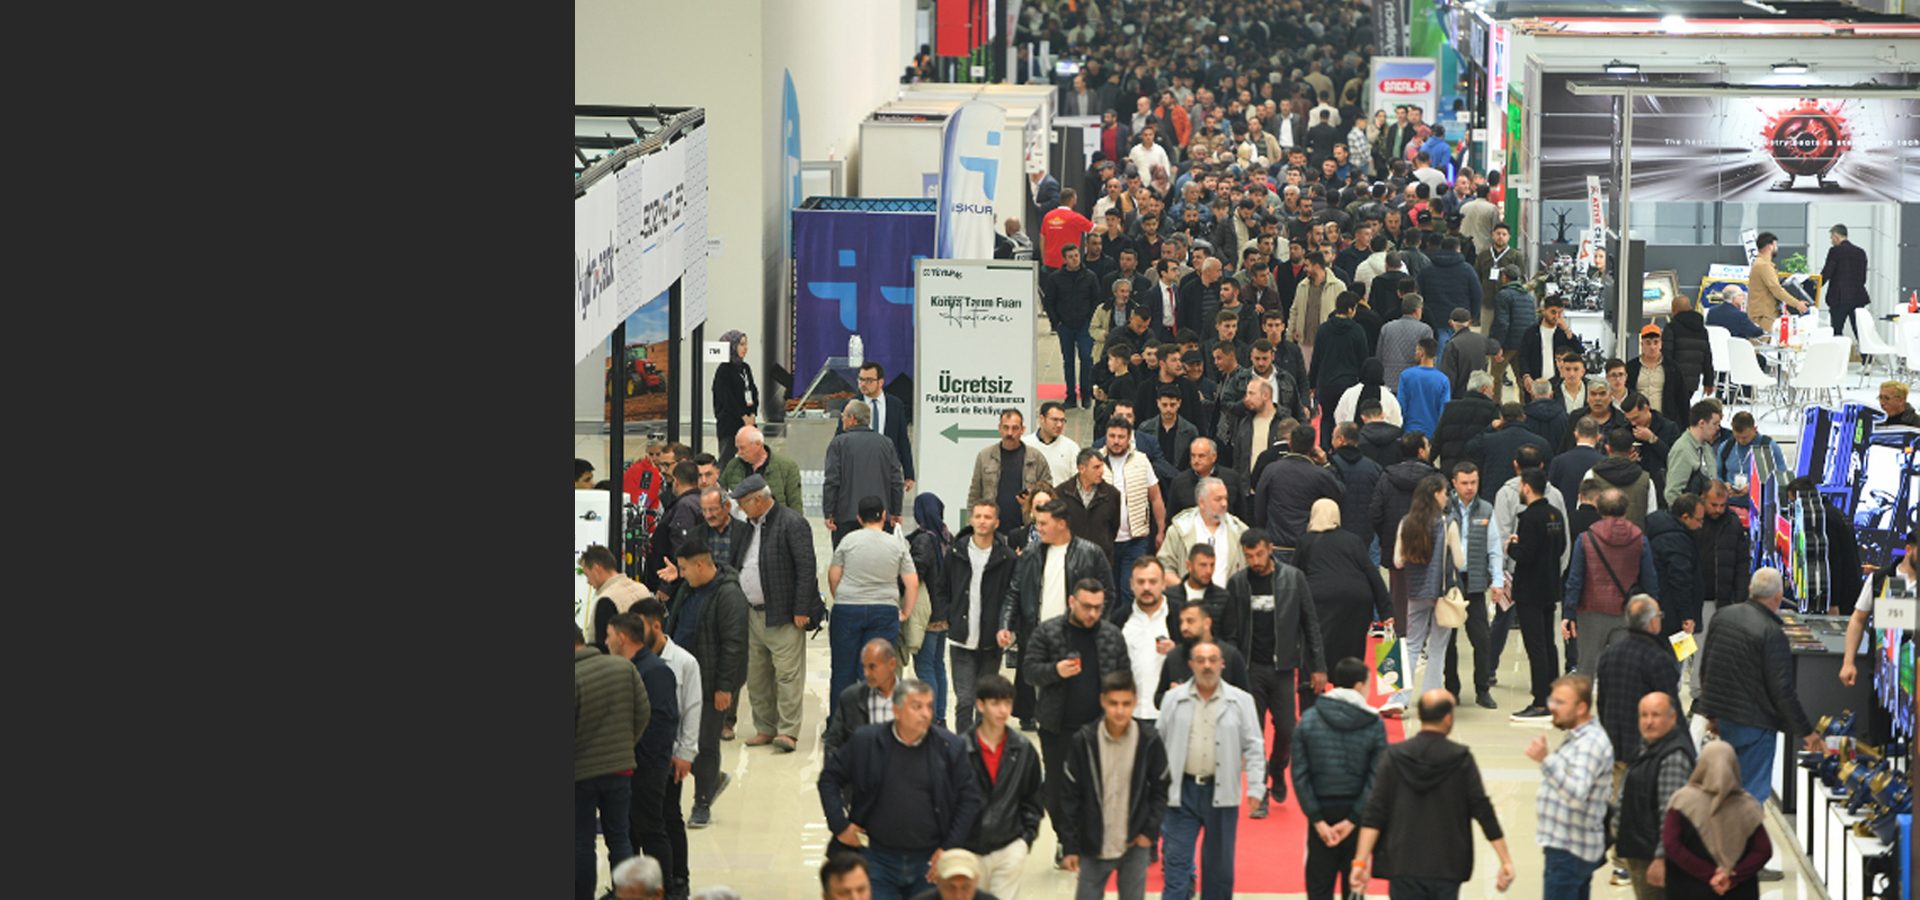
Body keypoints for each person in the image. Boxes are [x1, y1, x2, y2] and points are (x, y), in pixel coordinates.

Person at [1693, 567, 1821, 875]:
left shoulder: (1724, 617)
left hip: (1726, 719)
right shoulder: (1771, 632)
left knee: (1727, 788)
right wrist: (1806, 731)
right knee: (1751, 795)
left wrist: (1711, 712)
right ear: (1777, 597)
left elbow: (1707, 666)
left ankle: (1721, 854)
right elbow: (1782, 690)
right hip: (1755, 724)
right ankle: (1743, 863)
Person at [819, 678, 983, 900]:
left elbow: (970, 798)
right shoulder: (866, 741)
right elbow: (829, 778)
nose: (926, 714)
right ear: (896, 710)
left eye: (929, 706)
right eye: (917, 706)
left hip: (929, 859)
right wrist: (840, 825)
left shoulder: (950, 746)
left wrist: (949, 848)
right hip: (876, 857)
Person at [1351, 690, 1517, 897]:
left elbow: (1375, 811)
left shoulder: (1394, 757)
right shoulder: (1460, 759)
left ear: (1421, 716)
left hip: (1402, 863)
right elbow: (1482, 810)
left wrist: (1360, 861)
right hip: (1447, 865)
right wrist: (1505, 860)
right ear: (1448, 718)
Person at [1026, 578, 1133, 861]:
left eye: (1098, 608)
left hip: (1101, 727)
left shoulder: (1111, 636)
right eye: (1087, 607)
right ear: (1072, 602)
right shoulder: (1048, 633)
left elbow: (1124, 676)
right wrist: (1055, 670)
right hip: (1057, 726)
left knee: (1099, 786)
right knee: (1057, 789)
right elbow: (1029, 672)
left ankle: (1090, 838)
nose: (1092, 614)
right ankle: (1065, 838)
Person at [1157, 640, 1266, 900]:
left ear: (1222, 664)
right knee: (1176, 866)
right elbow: (1157, 746)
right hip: (1181, 794)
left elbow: (1254, 746)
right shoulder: (1173, 699)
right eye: (1201, 660)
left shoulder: (1242, 701)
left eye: (1212, 660)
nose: (1207, 666)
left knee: (1219, 872)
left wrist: (1256, 788)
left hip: (1222, 794)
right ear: (1191, 665)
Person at [719, 474, 820, 755]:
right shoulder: (747, 527)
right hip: (751, 614)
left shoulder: (791, 523)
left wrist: (801, 608)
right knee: (757, 674)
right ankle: (765, 728)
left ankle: (788, 732)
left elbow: (806, 568)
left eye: (744, 503)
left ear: (759, 499)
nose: (740, 509)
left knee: (787, 675)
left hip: (784, 613)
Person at [657, 539, 747, 828]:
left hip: (711, 683)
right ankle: (712, 779)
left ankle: (702, 804)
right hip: (679, 676)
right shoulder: (688, 587)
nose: (681, 573)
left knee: (705, 744)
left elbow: (734, 645)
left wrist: (725, 687)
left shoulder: (729, 594)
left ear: (700, 564)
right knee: (677, 739)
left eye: (684, 568)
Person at [1057, 672, 1169, 900]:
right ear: (1102, 701)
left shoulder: (1149, 741)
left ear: (1135, 702)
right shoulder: (1084, 741)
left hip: (1135, 844)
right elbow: (1070, 796)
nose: (1120, 711)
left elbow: (1162, 789)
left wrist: (1150, 832)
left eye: (1126, 704)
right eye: (1114, 703)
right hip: (1093, 844)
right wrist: (1070, 845)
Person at [1287, 657, 1388, 900]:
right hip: (1358, 818)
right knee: (1353, 887)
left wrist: (1317, 820)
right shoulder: (1374, 723)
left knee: (1319, 886)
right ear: (1358, 686)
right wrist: (1353, 819)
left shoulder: (1309, 720)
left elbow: (1299, 774)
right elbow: (1378, 777)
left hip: (1321, 815)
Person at [629, 598, 702, 899]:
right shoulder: (632, 660)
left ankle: (678, 879)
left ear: (655, 626)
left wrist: (686, 753)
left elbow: (692, 709)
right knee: (636, 821)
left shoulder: (684, 661)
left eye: (639, 626)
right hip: (638, 757)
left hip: (670, 756)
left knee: (669, 817)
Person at [576, 625, 651, 900]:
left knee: (582, 843)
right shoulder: (624, 668)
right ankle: (628, 895)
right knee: (620, 838)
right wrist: (624, 746)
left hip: (580, 776)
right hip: (620, 770)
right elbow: (643, 711)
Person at [828, 495, 920, 720]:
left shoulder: (848, 541)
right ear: (885, 516)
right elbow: (912, 583)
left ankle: (839, 724)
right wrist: (905, 612)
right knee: (876, 671)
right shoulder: (896, 544)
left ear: (859, 518)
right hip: (884, 610)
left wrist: (841, 596)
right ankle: (872, 721)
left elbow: (834, 575)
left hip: (847, 609)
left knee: (843, 671)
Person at [607, 614, 682, 887]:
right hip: (631, 764)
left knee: (651, 829)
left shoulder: (654, 670)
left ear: (623, 637)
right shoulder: (630, 667)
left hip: (647, 766)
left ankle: (662, 887)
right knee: (629, 832)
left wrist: (644, 762)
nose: (606, 641)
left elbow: (662, 722)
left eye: (609, 635)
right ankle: (629, 888)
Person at [1527, 674, 1615, 899]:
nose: (1552, 708)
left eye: (1560, 703)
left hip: (1570, 850)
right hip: (1571, 846)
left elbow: (1576, 793)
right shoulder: (1578, 737)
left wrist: (1546, 760)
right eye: (1552, 701)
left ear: (1581, 707)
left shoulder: (1589, 744)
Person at [958, 674, 1043, 900]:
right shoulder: (959, 749)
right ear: (980, 705)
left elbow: (1033, 796)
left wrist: (1025, 839)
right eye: (995, 703)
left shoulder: (1024, 750)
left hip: (1009, 845)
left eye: (1007, 703)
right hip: (968, 849)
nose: (1002, 710)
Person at [1563, 489, 1660, 673]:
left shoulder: (1586, 539)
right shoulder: (1640, 539)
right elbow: (1650, 580)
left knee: (1586, 670)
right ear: (1626, 509)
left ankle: (1583, 701)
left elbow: (1575, 579)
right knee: (1623, 671)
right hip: (1626, 612)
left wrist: (1568, 613)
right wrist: (1653, 610)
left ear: (1599, 508)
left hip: (1590, 611)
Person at [1662, 742, 1774, 898]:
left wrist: (1710, 875)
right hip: (1738, 891)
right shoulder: (1748, 806)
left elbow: (1671, 844)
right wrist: (1732, 876)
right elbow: (1763, 850)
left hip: (1687, 888)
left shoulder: (1681, 801)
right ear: (1734, 766)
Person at [941, 501, 1015, 735]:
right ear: (970, 520)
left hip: (991, 642)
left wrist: (1007, 628)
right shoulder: (956, 553)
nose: (983, 521)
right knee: (964, 701)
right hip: (961, 638)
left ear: (997, 522)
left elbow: (1012, 596)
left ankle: (981, 750)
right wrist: (947, 616)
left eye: (988, 517)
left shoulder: (1007, 558)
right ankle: (963, 749)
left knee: (984, 702)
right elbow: (942, 587)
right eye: (978, 516)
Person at [1616, 691, 1698, 900]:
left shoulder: (1672, 758)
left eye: (1656, 715)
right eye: (1644, 715)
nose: (1649, 722)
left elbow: (1671, 815)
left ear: (1672, 718)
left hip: (1654, 857)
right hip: (1639, 851)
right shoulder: (1646, 748)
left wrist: (1662, 859)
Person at [1441, 462, 1503, 710]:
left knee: (1482, 639)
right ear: (1454, 483)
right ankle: (1451, 689)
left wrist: (1497, 580)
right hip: (1450, 582)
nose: (1470, 488)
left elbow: (1494, 547)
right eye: (1464, 483)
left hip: (1475, 582)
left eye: (1473, 482)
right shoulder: (1444, 507)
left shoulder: (1486, 509)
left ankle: (1482, 689)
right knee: (1448, 639)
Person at [1509, 469, 1570, 719]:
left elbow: (1526, 554)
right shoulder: (1555, 514)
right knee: (1548, 643)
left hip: (1529, 590)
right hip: (1550, 585)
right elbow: (1562, 546)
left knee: (1535, 647)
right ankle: (1553, 695)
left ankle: (1540, 701)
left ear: (1526, 487)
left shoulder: (1530, 517)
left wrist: (1511, 546)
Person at [1099, 417, 1166, 608]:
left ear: (1129, 438)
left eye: (1121, 436)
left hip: (1135, 540)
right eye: (1112, 436)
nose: (1116, 441)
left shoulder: (1142, 461)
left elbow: (1155, 498)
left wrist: (1161, 530)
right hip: (1105, 542)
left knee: (1130, 592)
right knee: (1108, 593)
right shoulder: (1095, 461)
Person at [1691, 483, 1750, 696]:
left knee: (1710, 648)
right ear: (1702, 499)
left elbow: (1742, 562)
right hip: (1695, 597)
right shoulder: (1692, 521)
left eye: (1722, 505)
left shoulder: (1733, 524)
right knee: (1690, 647)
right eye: (1713, 505)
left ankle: (1703, 693)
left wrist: (1741, 597)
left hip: (1721, 599)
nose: (1718, 509)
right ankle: (1695, 691)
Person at [1252, 423, 1345, 556]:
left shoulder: (1272, 470)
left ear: (1290, 443)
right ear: (1312, 446)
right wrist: (1326, 464)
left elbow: (1259, 505)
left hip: (1276, 540)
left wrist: (1264, 530)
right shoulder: (1319, 474)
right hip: (1307, 542)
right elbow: (1339, 493)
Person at [825, 399, 907, 548]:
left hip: (846, 517)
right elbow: (896, 480)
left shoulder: (839, 443)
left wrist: (829, 512)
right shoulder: (886, 443)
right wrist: (895, 511)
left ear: (852, 419)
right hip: (879, 518)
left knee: (847, 564)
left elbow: (832, 480)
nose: (842, 419)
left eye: (843, 415)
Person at [1158, 476, 1249, 589]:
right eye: (1218, 499)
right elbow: (1164, 568)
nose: (1224, 504)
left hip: (1229, 602)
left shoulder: (1240, 531)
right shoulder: (1179, 530)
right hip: (1190, 603)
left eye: (1225, 498)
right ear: (1201, 502)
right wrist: (1186, 591)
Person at [823, 637, 902, 758]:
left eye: (872, 667)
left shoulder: (915, 700)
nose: (866, 673)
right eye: (864, 667)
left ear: (892, 664)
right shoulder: (851, 699)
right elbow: (833, 746)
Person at [1046, 243, 1103, 408]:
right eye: (1070, 257)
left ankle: (1086, 394)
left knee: (1086, 358)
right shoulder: (1055, 278)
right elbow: (1049, 302)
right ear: (1064, 259)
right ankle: (1070, 395)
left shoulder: (1090, 276)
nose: (1074, 259)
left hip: (1085, 324)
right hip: (1065, 325)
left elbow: (1095, 298)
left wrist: (1091, 319)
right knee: (1068, 360)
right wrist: (1056, 322)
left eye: (1076, 255)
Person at [1646, 494, 1704, 642]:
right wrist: (1687, 615)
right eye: (1698, 520)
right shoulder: (1677, 541)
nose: (1701, 525)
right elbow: (1680, 579)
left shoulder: (1658, 528)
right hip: (1674, 616)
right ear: (1685, 517)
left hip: (1660, 608)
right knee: (1675, 660)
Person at [1055, 448, 1121, 564]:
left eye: (1102, 466)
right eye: (1096, 467)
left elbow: (1113, 528)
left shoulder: (1112, 494)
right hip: (1070, 561)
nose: (1101, 471)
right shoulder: (1061, 493)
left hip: (1101, 560)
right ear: (1082, 469)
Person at [585, 544, 655, 651]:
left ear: (596, 569)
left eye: (587, 575)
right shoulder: (642, 589)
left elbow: (602, 648)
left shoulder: (606, 600)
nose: (588, 582)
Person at [720, 427, 802, 511]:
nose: (739, 453)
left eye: (742, 448)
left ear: (758, 444)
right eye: (737, 448)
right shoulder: (733, 466)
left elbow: (795, 505)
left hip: (775, 521)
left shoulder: (786, 467)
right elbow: (720, 492)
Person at [710, 330, 758, 465]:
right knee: (727, 460)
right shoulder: (724, 370)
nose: (745, 348)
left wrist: (753, 413)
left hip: (748, 422)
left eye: (746, 344)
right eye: (741, 344)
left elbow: (753, 391)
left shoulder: (745, 368)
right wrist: (743, 416)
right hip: (731, 424)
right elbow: (727, 399)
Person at [1745, 232, 1808, 332]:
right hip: (1764, 315)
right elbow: (1776, 289)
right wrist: (1797, 304)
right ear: (1770, 246)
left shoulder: (1761, 264)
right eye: (1775, 245)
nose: (1776, 248)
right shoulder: (1764, 265)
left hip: (1763, 314)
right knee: (1764, 344)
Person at [1520, 297, 1582, 396]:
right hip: (1536, 382)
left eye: (1560, 313)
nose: (1557, 316)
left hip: (1559, 383)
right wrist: (1526, 375)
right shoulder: (1531, 332)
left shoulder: (1563, 333)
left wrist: (1567, 330)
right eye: (1553, 312)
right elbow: (1523, 356)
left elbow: (1579, 351)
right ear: (1544, 311)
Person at [1664, 401, 1721, 506]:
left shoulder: (1707, 447)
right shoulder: (1682, 450)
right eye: (1715, 424)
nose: (1718, 428)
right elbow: (1672, 493)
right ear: (1702, 423)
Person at [1820, 225, 1870, 340]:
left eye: (1831, 238)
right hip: (1858, 297)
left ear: (1836, 236)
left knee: (1836, 331)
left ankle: (1838, 356)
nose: (1831, 241)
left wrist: (1815, 287)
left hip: (1839, 298)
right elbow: (1863, 278)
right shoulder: (1860, 252)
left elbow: (1827, 273)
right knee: (1859, 331)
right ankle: (1866, 356)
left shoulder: (1835, 251)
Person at [1398, 337, 1451, 440]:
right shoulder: (1443, 380)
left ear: (1422, 352)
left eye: (1417, 350)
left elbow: (1401, 406)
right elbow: (1444, 411)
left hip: (1409, 432)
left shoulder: (1406, 375)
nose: (1415, 353)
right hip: (1432, 433)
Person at [1377, 292, 1432, 391]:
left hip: (1388, 382)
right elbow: (1427, 361)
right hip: (1413, 383)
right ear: (1417, 310)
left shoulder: (1387, 328)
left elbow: (1379, 356)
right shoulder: (1425, 330)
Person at [1438, 307, 1491, 400]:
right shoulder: (1481, 340)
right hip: (1479, 395)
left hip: (1459, 398)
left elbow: (1449, 376)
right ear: (1470, 322)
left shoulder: (1452, 345)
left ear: (1450, 323)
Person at [1025, 401, 1082, 485]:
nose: (1059, 425)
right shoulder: (1026, 444)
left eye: (1062, 420)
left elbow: (1078, 480)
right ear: (1042, 419)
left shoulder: (1071, 447)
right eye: (1054, 420)